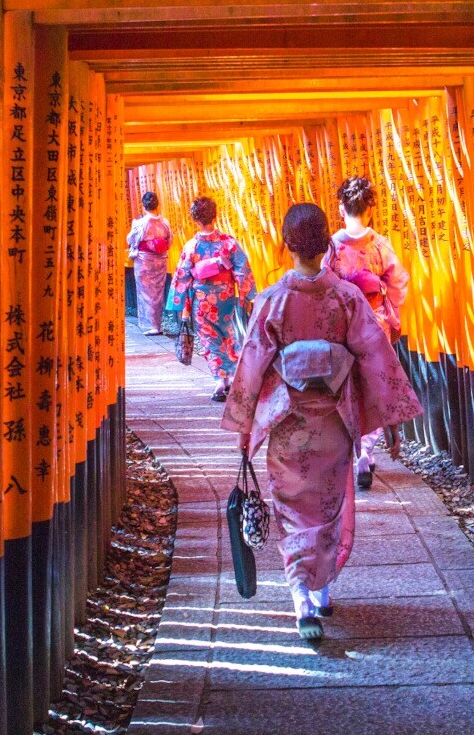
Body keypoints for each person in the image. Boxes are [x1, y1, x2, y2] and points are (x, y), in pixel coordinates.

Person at [222, 202, 423, 641]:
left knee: (292, 506)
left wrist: (243, 429)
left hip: (287, 424)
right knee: (329, 506)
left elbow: (252, 368)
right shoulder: (347, 298)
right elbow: (374, 357)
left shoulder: (272, 300)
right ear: (324, 244)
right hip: (333, 420)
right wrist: (389, 420)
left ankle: (300, 597)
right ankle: (323, 591)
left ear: (287, 243)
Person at [321, 177, 412, 490]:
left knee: (348, 386)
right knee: (374, 386)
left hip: (343, 326)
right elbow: (398, 283)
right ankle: (366, 452)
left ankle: (354, 449)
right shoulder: (380, 245)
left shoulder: (332, 247)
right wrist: (392, 314)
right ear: (370, 209)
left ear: (341, 208)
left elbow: (323, 286)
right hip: (375, 324)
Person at [172, 195, 257, 401]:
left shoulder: (192, 246)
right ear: (215, 216)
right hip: (226, 297)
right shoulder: (228, 243)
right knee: (228, 335)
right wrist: (246, 296)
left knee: (210, 339)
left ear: (195, 219)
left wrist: (178, 301)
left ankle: (220, 380)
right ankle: (229, 376)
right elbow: (242, 270)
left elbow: (182, 275)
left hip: (202, 300)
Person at [125, 191, 173, 336]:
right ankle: (157, 323)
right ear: (157, 204)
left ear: (143, 205)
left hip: (144, 261)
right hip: (160, 260)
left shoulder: (141, 223)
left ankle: (150, 325)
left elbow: (131, 240)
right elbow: (169, 241)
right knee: (157, 293)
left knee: (146, 292)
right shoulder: (164, 223)